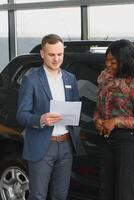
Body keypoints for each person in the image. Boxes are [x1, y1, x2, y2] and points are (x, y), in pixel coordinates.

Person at [16, 33, 82, 200]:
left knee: (61, 195)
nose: (56, 59)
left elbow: (75, 107)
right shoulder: (31, 80)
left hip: (66, 145)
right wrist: (41, 119)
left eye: (59, 54)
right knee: (38, 196)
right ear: (42, 54)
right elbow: (21, 115)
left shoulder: (70, 79)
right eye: (51, 54)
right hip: (42, 146)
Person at [93, 39, 134, 200]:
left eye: (113, 62)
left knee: (125, 194)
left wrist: (116, 121)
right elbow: (98, 107)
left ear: (125, 61)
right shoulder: (105, 77)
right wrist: (97, 119)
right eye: (107, 61)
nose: (108, 65)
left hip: (128, 141)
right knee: (105, 191)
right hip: (105, 138)